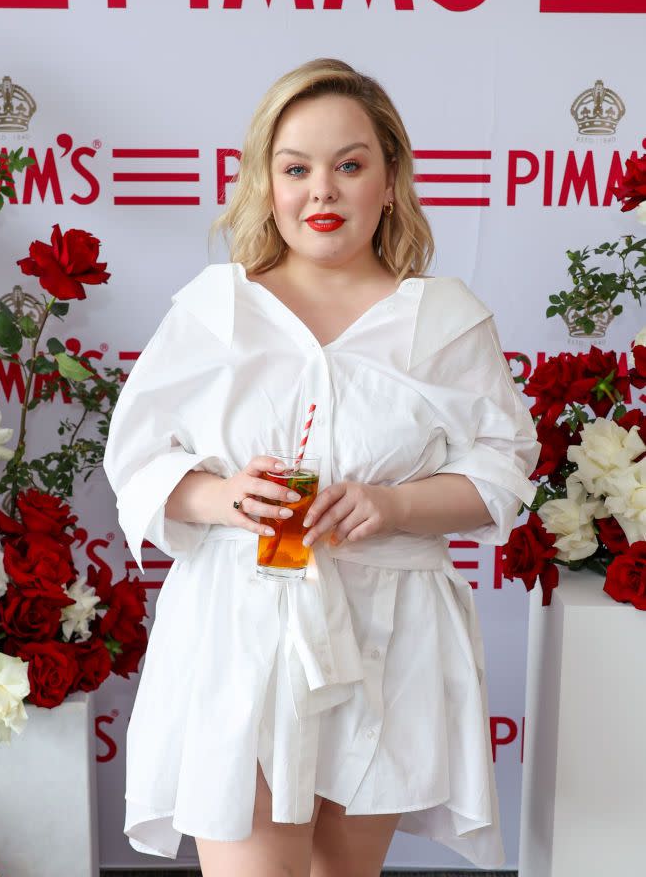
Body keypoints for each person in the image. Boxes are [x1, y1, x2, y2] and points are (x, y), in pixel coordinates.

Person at [102, 58, 541, 877]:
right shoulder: (216, 310)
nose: (323, 192)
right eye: (296, 168)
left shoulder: (443, 321)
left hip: (389, 635)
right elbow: (138, 461)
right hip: (243, 627)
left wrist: (394, 504)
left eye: (349, 165)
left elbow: (502, 468)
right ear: (266, 183)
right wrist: (225, 497)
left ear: (388, 178)